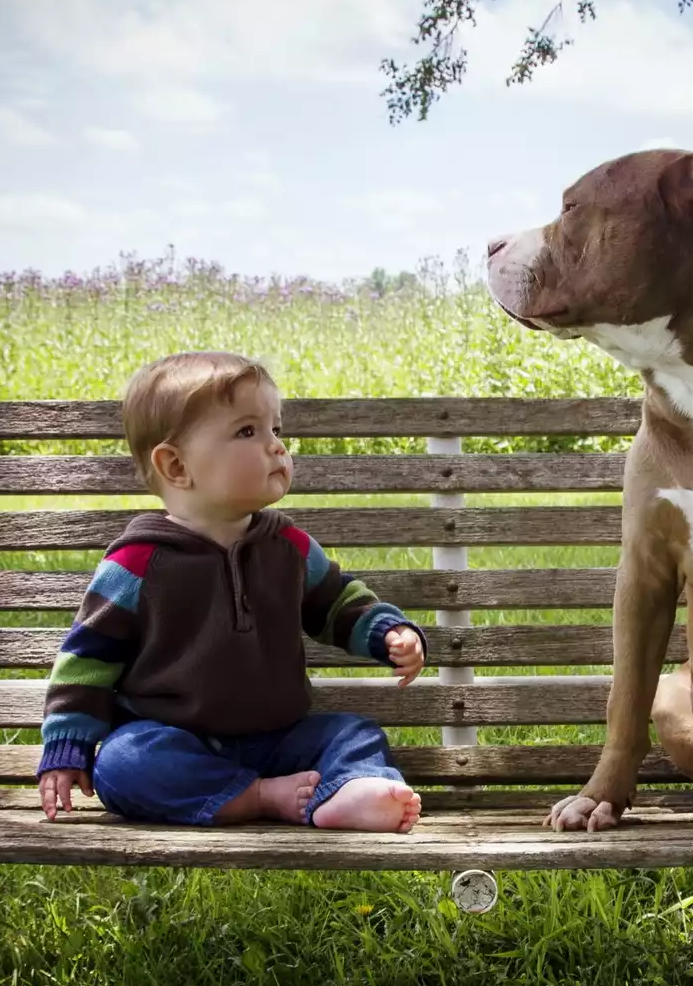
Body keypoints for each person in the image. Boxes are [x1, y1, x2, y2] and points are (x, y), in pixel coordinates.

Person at [35, 350, 426, 832]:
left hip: (281, 739)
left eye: (276, 430)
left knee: (353, 733)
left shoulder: (288, 548)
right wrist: (68, 743)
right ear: (176, 466)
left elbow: (336, 601)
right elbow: (88, 657)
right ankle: (262, 797)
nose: (276, 447)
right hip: (175, 740)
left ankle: (350, 791)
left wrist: (386, 631)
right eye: (248, 431)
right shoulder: (137, 564)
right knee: (122, 762)